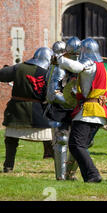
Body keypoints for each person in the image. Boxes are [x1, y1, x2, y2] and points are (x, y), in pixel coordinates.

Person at [56, 38, 107, 183]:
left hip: (89, 111)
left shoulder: (90, 64)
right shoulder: (101, 66)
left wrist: (60, 58)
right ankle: (84, 176)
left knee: (75, 145)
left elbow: (76, 67)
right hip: (97, 111)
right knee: (80, 146)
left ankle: (92, 175)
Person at [0, 47, 54, 173]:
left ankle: (8, 166)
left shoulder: (19, 68)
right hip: (38, 113)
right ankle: (60, 167)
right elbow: (48, 95)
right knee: (51, 139)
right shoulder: (47, 73)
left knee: (11, 140)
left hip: (17, 111)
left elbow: (0, 75)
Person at [45, 37, 82, 180]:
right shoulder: (59, 67)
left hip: (77, 108)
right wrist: (70, 101)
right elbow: (52, 94)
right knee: (61, 140)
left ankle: (70, 173)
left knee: (81, 142)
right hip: (60, 109)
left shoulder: (82, 66)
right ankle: (61, 176)